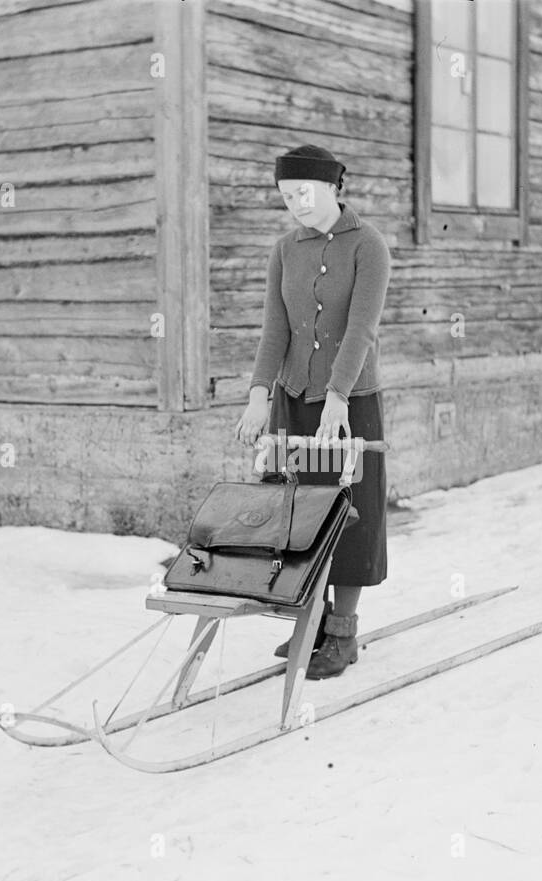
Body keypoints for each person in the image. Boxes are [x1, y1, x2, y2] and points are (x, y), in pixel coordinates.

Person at [234, 144, 391, 680]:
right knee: (298, 515)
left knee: (351, 514)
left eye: (303, 192)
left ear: (332, 187)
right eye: (285, 196)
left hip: (350, 404)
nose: (295, 204)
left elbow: (360, 330)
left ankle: (343, 632)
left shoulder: (367, 246)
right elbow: (275, 328)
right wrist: (259, 395)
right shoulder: (284, 249)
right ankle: (311, 623)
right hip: (295, 399)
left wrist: (339, 397)